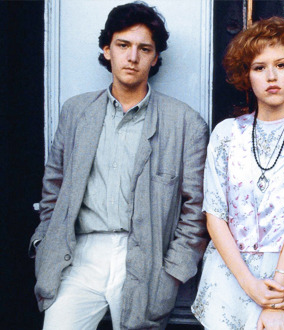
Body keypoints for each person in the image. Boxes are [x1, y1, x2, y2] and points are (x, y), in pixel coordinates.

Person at [29, 2, 208, 329]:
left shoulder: (186, 123)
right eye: (123, 45)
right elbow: (53, 189)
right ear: (107, 49)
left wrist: (173, 273)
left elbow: (195, 209)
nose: (133, 56)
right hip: (78, 254)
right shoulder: (76, 112)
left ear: (155, 58)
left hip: (145, 258)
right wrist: (45, 244)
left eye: (144, 48)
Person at [192, 16, 284, 330]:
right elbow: (215, 216)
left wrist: (274, 299)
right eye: (259, 68)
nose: (272, 76)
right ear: (246, 76)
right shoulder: (226, 134)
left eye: (282, 65)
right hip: (228, 272)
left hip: (281, 275)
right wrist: (250, 286)